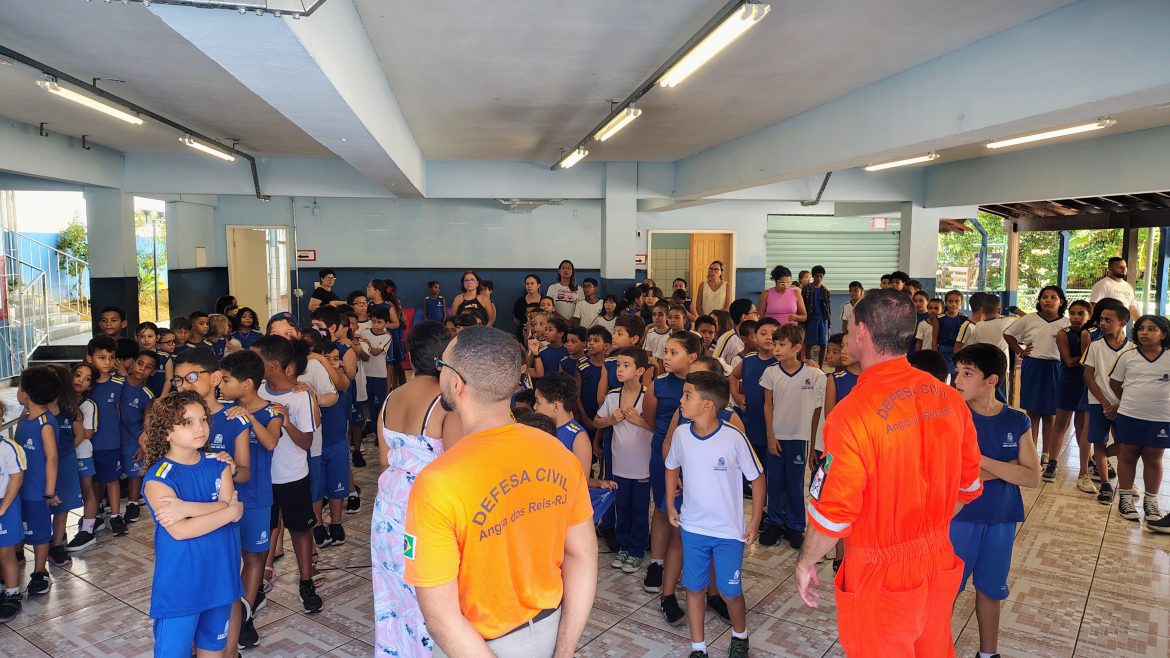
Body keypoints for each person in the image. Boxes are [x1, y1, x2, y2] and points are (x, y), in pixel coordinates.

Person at [794, 288, 983, 658]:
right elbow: (968, 486)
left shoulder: (852, 414)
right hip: (939, 559)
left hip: (881, 574)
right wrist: (924, 528)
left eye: (850, 328)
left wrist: (806, 561)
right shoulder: (948, 399)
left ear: (862, 332)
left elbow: (834, 513)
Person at [404, 326, 596, 657]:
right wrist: (564, 650)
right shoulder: (557, 453)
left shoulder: (437, 482)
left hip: (476, 645)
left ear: (457, 383)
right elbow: (582, 556)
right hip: (551, 631)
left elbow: (441, 619)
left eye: (442, 364)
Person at [370, 322, 460, 657]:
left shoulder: (391, 398)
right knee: (431, 592)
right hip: (426, 509)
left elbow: (384, 460)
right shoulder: (446, 404)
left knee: (393, 591)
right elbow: (455, 468)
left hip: (389, 508)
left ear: (409, 354)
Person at [664, 371, 764, 658]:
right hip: (693, 528)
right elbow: (671, 466)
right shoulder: (681, 434)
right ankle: (698, 647)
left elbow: (757, 478)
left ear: (707, 404)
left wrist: (755, 521)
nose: (681, 400)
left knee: (730, 591)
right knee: (694, 588)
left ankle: (740, 635)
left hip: (728, 532)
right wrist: (670, 504)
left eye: (687, 396)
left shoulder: (733, 438)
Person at [950, 343, 1041, 658]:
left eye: (967, 373)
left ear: (991, 380)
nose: (957, 379)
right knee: (947, 590)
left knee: (991, 589)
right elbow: (951, 474)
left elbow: (1032, 477)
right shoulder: (951, 416)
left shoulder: (1016, 420)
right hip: (959, 518)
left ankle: (988, 654)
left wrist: (978, 461)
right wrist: (1008, 468)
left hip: (1001, 518)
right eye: (956, 372)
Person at [141, 390, 244, 658]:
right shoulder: (158, 477)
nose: (200, 428)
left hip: (220, 576)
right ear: (167, 432)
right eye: (187, 422)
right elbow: (181, 530)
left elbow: (231, 505)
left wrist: (186, 508)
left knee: (214, 650)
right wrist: (229, 512)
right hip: (181, 584)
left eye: (203, 420)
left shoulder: (219, 464)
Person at [253, 334, 324, 613]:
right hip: (262, 477)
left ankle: (306, 582)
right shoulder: (256, 391)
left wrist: (286, 422)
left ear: (274, 364)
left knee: (300, 529)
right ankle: (256, 586)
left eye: (258, 359)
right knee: (264, 530)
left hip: (293, 475)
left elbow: (306, 442)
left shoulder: (300, 395)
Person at [217, 349, 283, 650]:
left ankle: (245, 615)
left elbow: (270, 442)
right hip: (225, 499)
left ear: (246, 384)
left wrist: (249, 419)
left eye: (226, 380)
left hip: (258, 496)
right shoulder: (222, 411)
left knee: (254, 556)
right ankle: (230, 612)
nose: (220, 385)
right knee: (229, 557)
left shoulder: (272, 411)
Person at [641, 331, 701, 602]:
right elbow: (651, 420)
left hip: (696, 460)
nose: (666, 357)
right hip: (663, 456)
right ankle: (657, 563)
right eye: (665, 351)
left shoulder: (701, 386)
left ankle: (688, 563)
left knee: (692, 511)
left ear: (692, 357)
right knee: (663, 509)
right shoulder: (659, 385)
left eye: (673, 352)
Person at [759, 323, 822, 548]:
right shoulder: (771, 372)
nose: (776, 348)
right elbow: (768, 405)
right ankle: (774, 523)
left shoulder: (814, 373)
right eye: (775, 344)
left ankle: (795, 526)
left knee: (795, 485)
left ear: (796, 347)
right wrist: (770, 435)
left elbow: (819, 408)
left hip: (799, 438)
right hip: (776, 436)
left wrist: (814, 443)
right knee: (774, 482)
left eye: (781, 345)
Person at [593, 346, 653, 574]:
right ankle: (624, 547)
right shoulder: (612, 396)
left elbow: (660, 429)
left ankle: (637, 550)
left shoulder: (649, 397)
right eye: (618, 365)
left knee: (639, 509)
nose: (619, 369)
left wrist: (640, 421)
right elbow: (596, 421)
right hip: (619, 465)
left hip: (642, 466)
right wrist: (610, 420)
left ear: (640, 371)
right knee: (622, 507)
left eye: (626, 365)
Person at [1108, 314, 1170, 529]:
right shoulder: (1128, 356)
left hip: (1161, 418)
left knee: (1153, 459)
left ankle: (1151, 502)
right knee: (1128, 455)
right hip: (1130, 415)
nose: (1145, 332)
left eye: (1152, 329)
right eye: (1142, 328)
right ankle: (1125, 498)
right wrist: (1130, 401)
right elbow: (1115, 383)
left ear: (1164, 334)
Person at [1003, 286, 1070, 482]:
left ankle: (1046, 454)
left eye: (1053, 297)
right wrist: (1020, 350)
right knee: (1032, 412)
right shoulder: (1029, 319)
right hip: (1033, 365)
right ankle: (1031, 453)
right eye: (1044, 297)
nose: (1048, 300)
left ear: (1061, 302)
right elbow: (1008, 334)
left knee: (1050, 413)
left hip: (1056, 368)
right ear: (1039, 300)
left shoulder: (1066, 323)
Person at [15, 367, 60, 596]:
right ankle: (15, 557)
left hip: (37, 490)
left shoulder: (46, 424)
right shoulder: (24, 417)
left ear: (27, 394)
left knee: (40, 532)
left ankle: (40, 571)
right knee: (18, 525)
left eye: (19, 387)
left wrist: (49, 491)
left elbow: (52, 459)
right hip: (18, 489)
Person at [1080, 299, 1130, 506]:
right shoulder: (1095, 346)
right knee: (1098, 442)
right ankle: (1105, 485)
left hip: (1124, 405)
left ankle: (1126, 483)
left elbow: (1132, 381)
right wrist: (1104, 403)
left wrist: (1118, 404)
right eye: (1101, 319)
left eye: (1108, 320)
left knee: (1126, 444)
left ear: (1123, 323)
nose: (1102, 323)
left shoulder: (1132, 349)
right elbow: (1089, 376)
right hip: (1098, 403)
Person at [1054, 300, 1095, 493]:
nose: (1076, 317)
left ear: (1089, 316)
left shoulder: (1093, 334)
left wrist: (1092, 353)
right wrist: (1090, 353)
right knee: (1061, 424)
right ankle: (1052, 462)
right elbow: (1070, 362)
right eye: (1072, 313)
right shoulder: (1063, 334)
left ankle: (1087, 465)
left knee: (1082, 427)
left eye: (1081, 314)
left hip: (1086, 383)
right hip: (1068, 381)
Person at [730, 317, 779, 465]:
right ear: (755, 336)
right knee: (753, 464)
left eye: (773, 334)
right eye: (763, 333)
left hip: (775, 426)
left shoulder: (782, 362)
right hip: (751, 422)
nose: (769, 337)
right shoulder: (749, 360)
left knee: (772, 466)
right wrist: (736, 395)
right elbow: (733, 375)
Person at [0, 399, 24, 622]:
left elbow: (16, 478)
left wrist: (3, 509)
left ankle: (12, 594)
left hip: (4, 504)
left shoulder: (8, 448)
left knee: (6, 553)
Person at [1089, 256, 1141, 322]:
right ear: (1110, 269)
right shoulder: (1103, 285)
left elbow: (1131, 308)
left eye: (1125, 266)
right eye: (1119, 267)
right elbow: (1093, 305)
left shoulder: (1128, 286)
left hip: (1121, 326)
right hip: (1105, 326)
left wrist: (1140, 323)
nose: (1123, 269)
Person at [802, 265, 832, 363]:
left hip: (823, 320)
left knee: (823, 344)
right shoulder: (806, 289)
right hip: (811, 320)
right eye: (816, 276)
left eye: (820, 276)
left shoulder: (825, 290)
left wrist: (829, 323)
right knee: (809, 344)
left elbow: (828, 308)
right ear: (813, 276)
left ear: (823, 277)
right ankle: (810, 365)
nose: (818, 278)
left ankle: (820, 367)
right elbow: (803, 305)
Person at [937, 290, 968, 375]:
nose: (953, 304)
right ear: (945, 302)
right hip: (943, 352)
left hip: (959, 353)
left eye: (957, 301)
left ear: (961, 303)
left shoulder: (964, 319)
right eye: (950, 301)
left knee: (957, 376)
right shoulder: (939, 318)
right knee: (943, 375)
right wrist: (935, 355)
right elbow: (934, 339)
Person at [643, 301, 672, 372]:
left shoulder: (672, 333)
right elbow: (647, 355)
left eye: (660, 315)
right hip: (654, 368)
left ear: (667, 316)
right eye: (654, 315)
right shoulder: (650, 332)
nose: (656, 317)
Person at [512, 274, 544, 340]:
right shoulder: (520, 301)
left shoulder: (544, 300)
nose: (529, 286)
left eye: (532, 283)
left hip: (541, 335)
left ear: (538, 285)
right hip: (522, 334)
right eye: (527, 284)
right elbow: (516, 318)